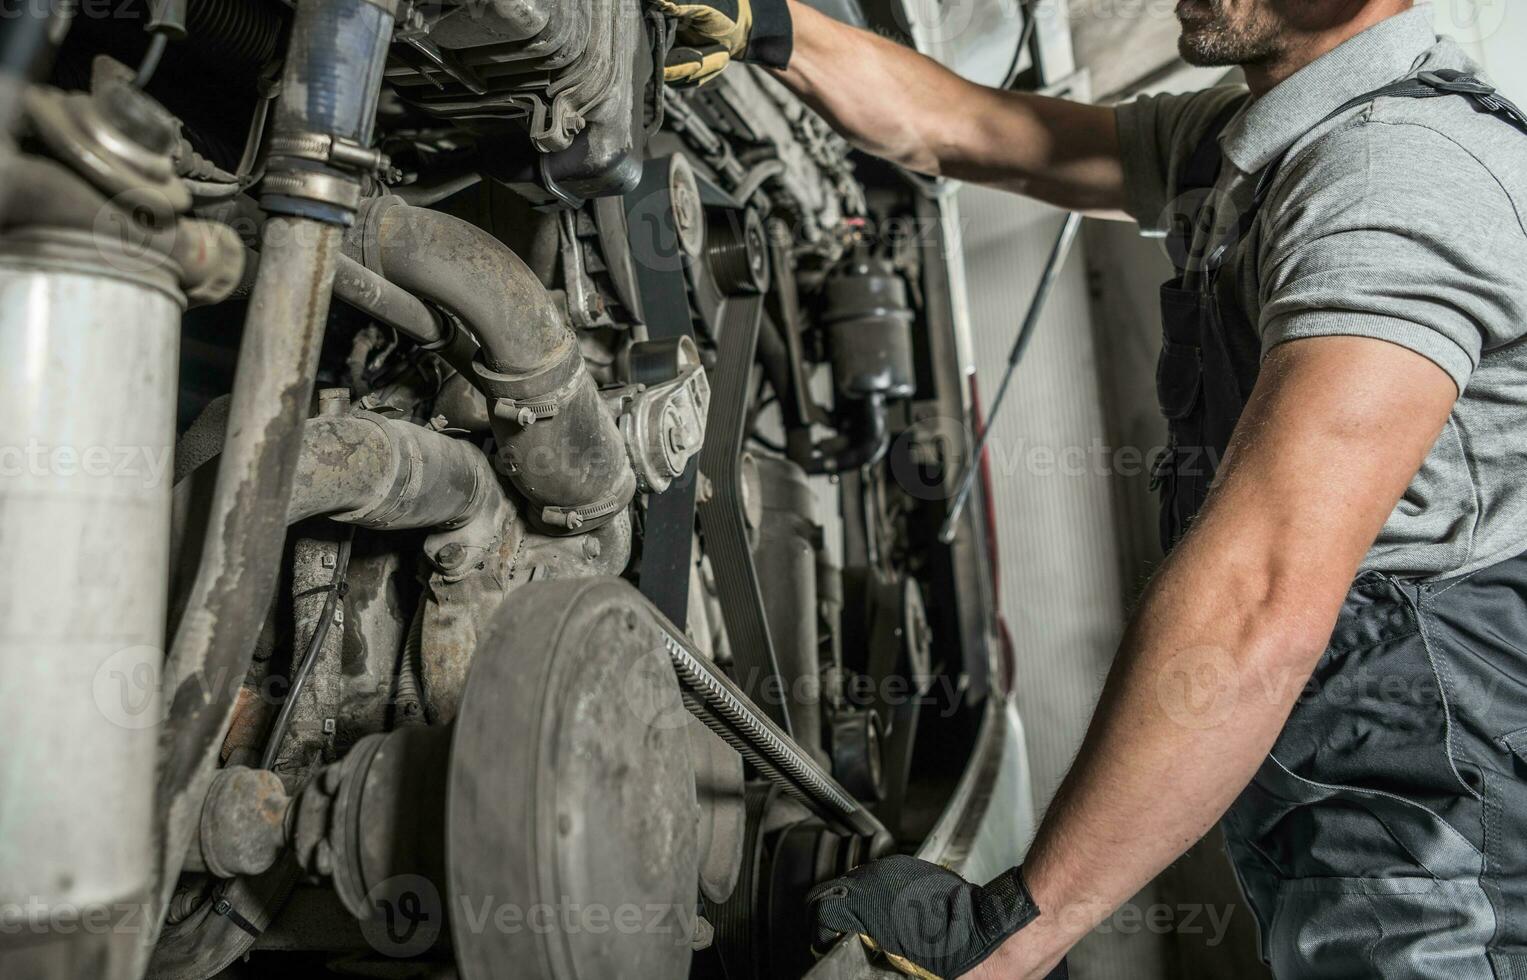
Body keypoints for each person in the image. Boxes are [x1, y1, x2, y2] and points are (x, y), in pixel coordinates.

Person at [658, 0, 1527, 976]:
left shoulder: (1394, 170)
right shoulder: (1249, 135)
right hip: (1339, 782)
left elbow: (1261, 592)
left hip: (1445, 818)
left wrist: (1020, 928)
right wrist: (769, 24)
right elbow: (990, 132)